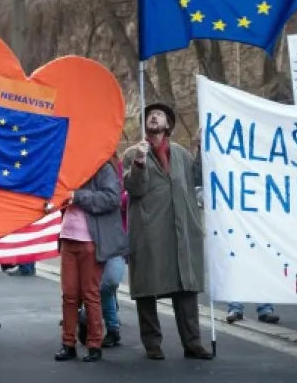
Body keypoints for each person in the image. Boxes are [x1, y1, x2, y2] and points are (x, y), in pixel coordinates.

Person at [122, 102, 212, 360]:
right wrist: (139, 162)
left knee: (185, 288)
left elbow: (197, 179)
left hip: (181, 230)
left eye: (159, 115)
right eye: (150, 115)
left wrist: (203, 149)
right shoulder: (133, 153)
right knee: (147, 287)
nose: (154, 117)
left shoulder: (181, 154)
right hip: (150, 231)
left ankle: (193, 343)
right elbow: (134, 189)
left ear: (168, 125)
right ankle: (152, 343)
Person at [54, 159, 129, 362]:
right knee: (69, 294)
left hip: (91, 240)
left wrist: (77, 196)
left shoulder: (103, 167)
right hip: (68, 237)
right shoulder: (68, 167)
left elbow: (112, 198)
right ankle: (68, 344)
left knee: (90, 293)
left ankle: (94, 344)